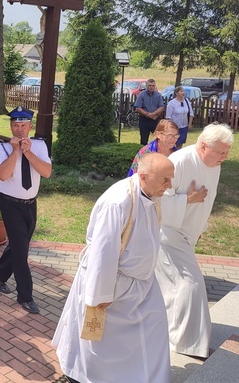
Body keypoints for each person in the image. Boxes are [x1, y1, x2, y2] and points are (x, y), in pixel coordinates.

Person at [52, 153, 174, 383]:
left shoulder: (150, 194)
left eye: (171, 179)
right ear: (144, 176)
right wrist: (101, 294)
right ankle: (86, 376)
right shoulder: (118, 201)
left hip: (143, 284)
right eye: (165, 180)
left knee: (155, 326)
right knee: (100, 345)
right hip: (113, 285)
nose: (169, 186)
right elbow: (103, 251)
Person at [155, 123, 234, 358]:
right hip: (167, 233)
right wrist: (186, 200)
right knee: (192, 285)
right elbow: (155, 201)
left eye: (227, 153)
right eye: (220, 152)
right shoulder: (179, 162)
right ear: (202, 146)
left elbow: (208, 199)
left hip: (187, 234)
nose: (224, 157)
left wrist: (201, 225)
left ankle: (172, 333)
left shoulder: (214, 165)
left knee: (174, 289)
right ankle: (189, 344)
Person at [0, 106, 52, 314]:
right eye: (15, 125)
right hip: (10, 203)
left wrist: (28, 152)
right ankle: (25, 296)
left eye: (23, 125)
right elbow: (3, 175)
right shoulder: (2, 148)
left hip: (30, 204)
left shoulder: (40, 145)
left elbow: (47, 172)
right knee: (21, 251)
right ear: (10, 126)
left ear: (30, 126)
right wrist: (16, 151)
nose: (19, 129)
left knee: (18, 245)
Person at [134, 79, 165, 146]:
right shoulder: (141, 95)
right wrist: (148, 115)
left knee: (158, 139)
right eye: (149, 85)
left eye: (153, 85)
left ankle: (157, 154)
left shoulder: (158, 95)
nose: (151, 87)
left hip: (155, 120)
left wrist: (153, 115)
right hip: (144, 120)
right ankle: (143, 155)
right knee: (143, 140)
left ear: (155, 86)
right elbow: (138, 108)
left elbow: (161, 107)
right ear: (146, 86)